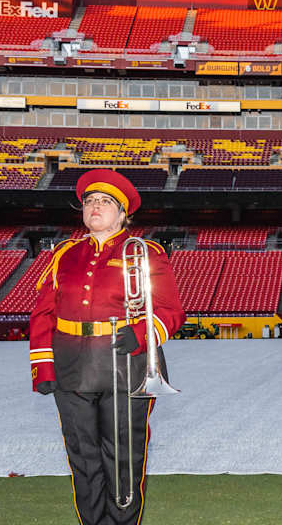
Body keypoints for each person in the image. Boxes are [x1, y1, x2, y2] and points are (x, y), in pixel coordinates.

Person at [29, 169, 185, 525]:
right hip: (71, 367)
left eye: (105, 202)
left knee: (123, 458)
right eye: (89, 201)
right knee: (83, 459)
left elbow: (170, 311)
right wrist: (43, 368)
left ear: (122, 213)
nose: (95, 207)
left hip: (125, 364)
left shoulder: (146, 252)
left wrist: (142, 333)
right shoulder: (63, 255)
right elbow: (42, 315)